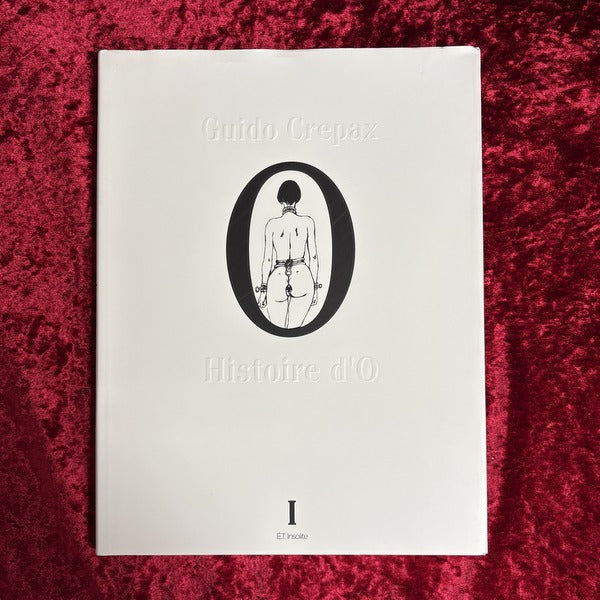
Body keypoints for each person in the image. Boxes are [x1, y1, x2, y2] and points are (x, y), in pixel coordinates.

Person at [256, 180, 320, 328]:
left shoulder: (271, 224)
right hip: (302, 275)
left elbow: (267, 260)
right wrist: (315, 287)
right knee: (295, 328)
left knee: (278, 328)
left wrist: (263, 291)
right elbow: (314, 257)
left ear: (280, 200)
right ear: (297, 198)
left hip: (277, 276)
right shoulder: (308, 222)